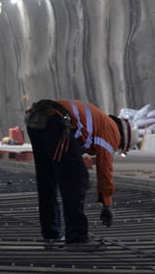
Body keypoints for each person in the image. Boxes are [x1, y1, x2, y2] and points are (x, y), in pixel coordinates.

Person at [24, 99, 133, 251]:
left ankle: (51, 232)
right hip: (58, 122)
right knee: (77, 179)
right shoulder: (111, 130)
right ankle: (77, 238)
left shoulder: (97, 121)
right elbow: (104, 169)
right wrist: (106, 204)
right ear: (122, 139)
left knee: (47, 178)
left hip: (36, 118)